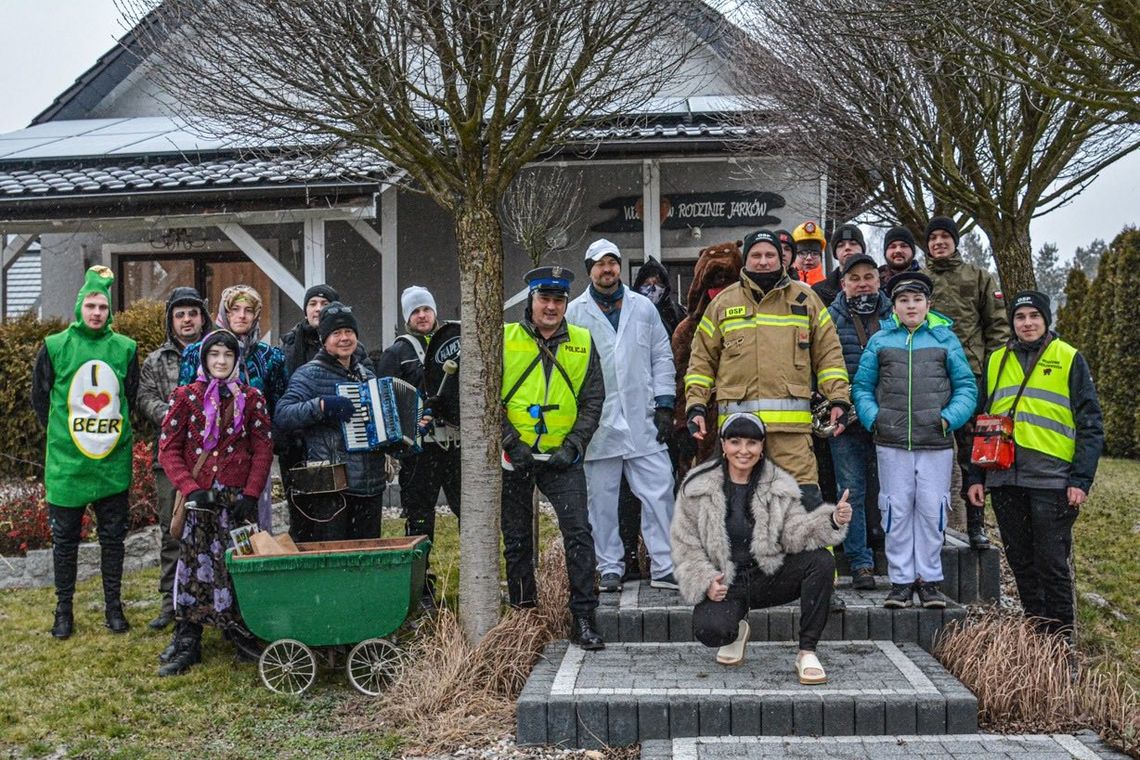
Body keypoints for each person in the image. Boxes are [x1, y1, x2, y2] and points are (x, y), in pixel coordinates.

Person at [671, 414, 851, 680]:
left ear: (762, 447)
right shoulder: (697, 487)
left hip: (768, 576)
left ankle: (807, 651)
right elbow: (685, 546)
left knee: (821, 562)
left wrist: (832, 520)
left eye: (751, 443)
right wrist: (706, 581)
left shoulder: (779, 484)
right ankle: (736, 627)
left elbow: (794, 533)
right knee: (712, 630)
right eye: (735, 442)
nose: (743, 451)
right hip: (726, 583)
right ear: (723, 444)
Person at [967, 291, 1103, 640]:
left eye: (1034, 316)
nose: (1027, 323)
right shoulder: (997, 360)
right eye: (1020, 317)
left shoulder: (1069, 358)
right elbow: (981, 421)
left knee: (1052, 564)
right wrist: (977, 477)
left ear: (1045, 320)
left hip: (1052, 480)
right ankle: (1038, 638)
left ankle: (1060, 645)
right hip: (1003, 478)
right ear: (1012, 322)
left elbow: (1090, 424)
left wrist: (1081, 480)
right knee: (1021, 563)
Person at [685, 229, 850, 500]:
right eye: (756, 255)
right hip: (739, 435)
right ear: (746, 261)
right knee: (741, 511)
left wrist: (839, 399)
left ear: (782, 259)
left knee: (803, 504)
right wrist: (696, 406)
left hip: (792, 437)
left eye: (770, 255)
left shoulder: (806, 300)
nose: (764, 261)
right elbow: (701, 360)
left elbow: (829, 355)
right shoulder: (723, 303)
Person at [852, 272, 977, 609]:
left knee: (932, 509)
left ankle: (930, 581)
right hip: (891, 441)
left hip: (934, 442)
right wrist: (873, 417)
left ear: (928, 304)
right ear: (894, 306)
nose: (911, 306)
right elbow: (862, 387)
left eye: (917, 300)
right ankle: (901, 582)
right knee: (895, 509)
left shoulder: (944, 339)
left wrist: (949, 417)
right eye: (904, 301)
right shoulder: (881, 341)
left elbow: (966, 386)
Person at [156, 329, 274, 675]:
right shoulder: (186, 397)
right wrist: (191, 489)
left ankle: (239, 628)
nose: (221, 361)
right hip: (200, 502)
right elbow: (168, 449)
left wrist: (251, 494)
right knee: (194, 566)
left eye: (227, 355)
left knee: (236, 564)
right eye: (214, 355)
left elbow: (263, 448)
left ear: (236, 360)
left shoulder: (251, 399)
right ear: (204, 360)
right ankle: (189, 636)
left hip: (235, 501)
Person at [32, 266, 139, 639]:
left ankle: (114, 607)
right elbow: (40, 400)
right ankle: (64, 610)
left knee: (113, 539)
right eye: (91, 306)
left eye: (103, 307)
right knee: (64, 541)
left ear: (110, 312)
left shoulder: (125, 349)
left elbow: (131, 398)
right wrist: (66, 436)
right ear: (80, 307)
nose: (97, 313)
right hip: (68, 463)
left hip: (111, 463)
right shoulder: (55, 346)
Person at [501, 266, 606, 650]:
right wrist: (511, 442)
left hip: (564, 459)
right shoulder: (505, 338)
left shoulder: (582, 340)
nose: (551, 307)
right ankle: (524, 617)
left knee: (578, 535)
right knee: (516, 541)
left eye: (558, 300)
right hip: (515, 458)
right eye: (544, 299)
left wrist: (574, 445)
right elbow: (485, 397)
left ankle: (583, 618)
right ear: (530, 301)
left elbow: (594, 400)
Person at [567, 240, 677, 593]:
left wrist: (664, 404)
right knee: (601, 501)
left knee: (660, 492)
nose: (607, 269)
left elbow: (661, 357)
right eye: (600, 264)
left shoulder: (643, 308)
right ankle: (610, 565)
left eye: (612, 262)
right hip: (599, 424)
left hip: (643, 418)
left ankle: (665, 564)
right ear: (590, 270)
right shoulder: (574, 313)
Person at [921, 215, 1010, 548]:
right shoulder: (920, 279)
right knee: (931, 452)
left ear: (955, 241)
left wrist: (992, 371)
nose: (939, 242)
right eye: (933, 238)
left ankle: (976, 523)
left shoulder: (978, 277)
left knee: (973, 452)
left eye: (945, 236)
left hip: (970, 376)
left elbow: (997, 328)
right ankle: (933, 523)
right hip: (930, 375)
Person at [374, 285, 461, 599]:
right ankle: (421, 585)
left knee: (468, 510)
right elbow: (387, 401)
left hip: (456, 445)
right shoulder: (397, 353)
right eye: (415, 311)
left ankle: (476, 580)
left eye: (426, 309)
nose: (422, 315)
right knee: (420, 516)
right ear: (407, 317)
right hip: (421, 450)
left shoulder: (456, 341)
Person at [274, 303, 388, 540]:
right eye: (336, 333)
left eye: (349, 332)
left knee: (366, 558)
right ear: (324, 340)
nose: (344, 338)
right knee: (336, 558)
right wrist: (321, 406)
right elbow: (283, 414)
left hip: (370, 485)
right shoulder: (309, 374)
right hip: (333, 488)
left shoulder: (366, 374)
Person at [180, 285, 289, 529]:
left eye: (249, 310)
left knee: (252, 528)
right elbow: (185, 404)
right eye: (235, 310)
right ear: (223, 313)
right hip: (206, 457)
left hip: (251, 456)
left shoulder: (270, 357)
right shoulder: (196, 353)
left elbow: (278, 405)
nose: (242, 316)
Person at [137, 286, 209, 630]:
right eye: (179, 315)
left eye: (192, 313)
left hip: (211, 456)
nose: (186, 320)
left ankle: (211, 599)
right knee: (172, 530)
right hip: (170, 457)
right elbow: (144, 399)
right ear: (171, 320)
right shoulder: (156, 360)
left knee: (212, 529)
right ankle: (171, 601)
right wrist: (177, 413)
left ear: (202, 317)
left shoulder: (216, 352)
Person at [826, 254, 892, 590]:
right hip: (845, 419)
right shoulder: (829, 319)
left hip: (889, 418)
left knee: (892, 492)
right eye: (855, 278)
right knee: (850, 492)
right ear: (843, 283)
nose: (863, 283)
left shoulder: (895, 315)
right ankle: (860, 562)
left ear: (879, 280)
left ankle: (896, 558)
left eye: (869, 277)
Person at [671, 241, 743, 478]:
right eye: (713, 285)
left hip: (746, 421)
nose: (719, 294)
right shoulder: (688, 330)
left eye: (726, 284)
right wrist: (682, 424)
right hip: (704, 426)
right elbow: (681, 380)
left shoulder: (756, 321)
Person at [632, 257, 686, 338]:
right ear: (638, 287)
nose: (652, 289)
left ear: (665, 287)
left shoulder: (676, 313)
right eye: (646, 284)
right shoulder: (629, 311)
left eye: (657, 284)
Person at [813, 223, 865, 307]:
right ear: (835, 253)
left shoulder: (880, 286)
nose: (847, 248)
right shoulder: (818, 291)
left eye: (853, 243)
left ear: (862, 249)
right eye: (841, 245)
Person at [879, 226, 921, 292]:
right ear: (885, 252)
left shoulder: (926, 279)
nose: (898, 250)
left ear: (913, 251)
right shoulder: (874, 283)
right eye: (892, 247)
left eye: (903, 246)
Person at [792, 221, 827, 286]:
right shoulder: (784, 286)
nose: (809, 258)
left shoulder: (829, 287)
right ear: (794, 257)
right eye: (802, 253)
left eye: (815, 253)